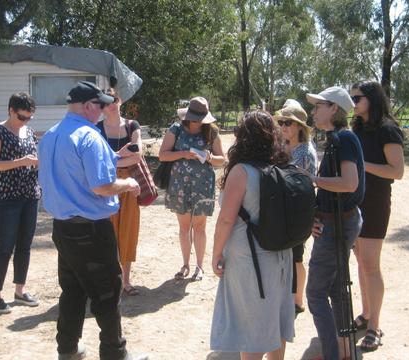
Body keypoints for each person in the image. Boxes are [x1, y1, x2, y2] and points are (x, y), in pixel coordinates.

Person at [38, 81, 148, 360]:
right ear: (87, 106)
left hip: (63, 228)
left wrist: (113, 155)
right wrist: (128, 184)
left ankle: (68, 348)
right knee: (108, 292)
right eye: (99, 106)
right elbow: (101, 186)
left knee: (72, 289)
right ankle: (115, 353)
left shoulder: (51, 135)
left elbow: (72, 166)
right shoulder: (89, 136)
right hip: (91, 229)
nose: (102, 111)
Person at [210, 110, 294, 360]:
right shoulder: (283, 166)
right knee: (276, 316)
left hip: (249, 258)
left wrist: (216, 254)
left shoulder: (242, 171)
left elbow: (226, 219)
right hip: (281, 254)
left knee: (252, 324)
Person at [305, 86, 365, 360]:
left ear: (335, 110)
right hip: (335, 221)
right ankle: (343, 351)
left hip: (339, 224)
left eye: (319, 106)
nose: (314, 111)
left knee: (316, 293)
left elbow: (349, 184)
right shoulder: (336, 139)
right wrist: (317, 214)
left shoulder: (343, 140)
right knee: (336, 290)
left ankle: (333, 353)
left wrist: (312, 180)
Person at [350, 81, 404, 352]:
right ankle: (367, 312)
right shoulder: (357, 128)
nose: (353, 102)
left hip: (375, 204)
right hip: (356, 203)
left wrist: (363, 166)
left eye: (357, 97)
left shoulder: (387, 129)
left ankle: (375, 327)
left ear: (371, 98)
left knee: (371, 264)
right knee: (361, 261)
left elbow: (397, 171)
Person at [159, 96, 225, 281]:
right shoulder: (177, 129)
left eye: (201, 119)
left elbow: (223, 160)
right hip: (180, 184)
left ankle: (199, 267)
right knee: (184, 226)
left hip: (203, 185)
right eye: (195, 118)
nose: (198, 123)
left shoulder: (211, 131)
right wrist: (184, 154)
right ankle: (185, 264)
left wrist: (209, 156)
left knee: (200, 226)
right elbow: (163, 155)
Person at [0, 92, 40, 313]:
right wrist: (22, 161)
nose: (25, 121)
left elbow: (35, 156)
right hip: (8, 198)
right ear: (10, 110)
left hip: (30, 195)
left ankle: (20, 291)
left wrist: (37, 162)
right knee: (5, 247)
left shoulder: (28, 131)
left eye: (29, 118)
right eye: (21, 117)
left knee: (25, 246)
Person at [96, 87, 143, 296]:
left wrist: (112, 160)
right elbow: (95, 160)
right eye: (106, 102)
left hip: (130, 183)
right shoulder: (96, 128)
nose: (111, 105)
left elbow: (137, 155)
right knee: (107, 232)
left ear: (120, 100)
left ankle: (125, 280)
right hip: (106, 184)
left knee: (128, 231)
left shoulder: (132, 125)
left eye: (114, 100)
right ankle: (110, 279)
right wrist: (117, 160)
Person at [275, 100, 317, 316]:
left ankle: (298, 300)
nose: (283, 127)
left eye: (288, 123)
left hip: (298, 210)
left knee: (297, 255)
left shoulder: (305, 151)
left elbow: (305, 184)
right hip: (284, 208)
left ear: (300, 126)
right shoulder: (284, 145)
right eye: (282, 122)